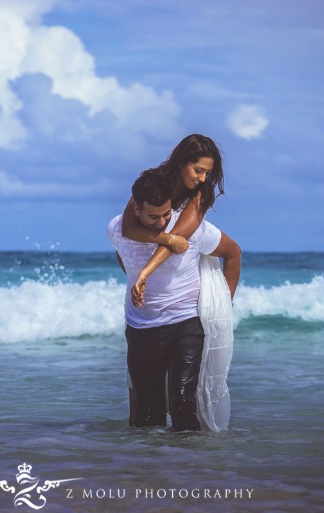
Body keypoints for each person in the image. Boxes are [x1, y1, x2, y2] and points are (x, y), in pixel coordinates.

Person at [107, 169, 241, 431]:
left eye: (166, 214)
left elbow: (233, 253)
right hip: (141, 327)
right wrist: (138, 280)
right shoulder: (117, 228)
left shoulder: (193, 230)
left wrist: (224, 305)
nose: (161, 222)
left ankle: (187, 467)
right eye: (153, 216)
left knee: (182, 404)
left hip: (186, 324)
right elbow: (122, 253)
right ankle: (151, 470)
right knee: (147, 415)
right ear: (137, 211)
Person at [120, 134, 226, 307]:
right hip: (168, 242)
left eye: (208, 173)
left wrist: (144, 274)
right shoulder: (153, 184)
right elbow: (128, 228)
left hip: (196, 241)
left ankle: (226, 303)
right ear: (181, 162)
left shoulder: (201, 194)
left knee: (233, 251)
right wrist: (168, 239)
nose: (203, 179)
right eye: (198, 170)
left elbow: (179, 236)